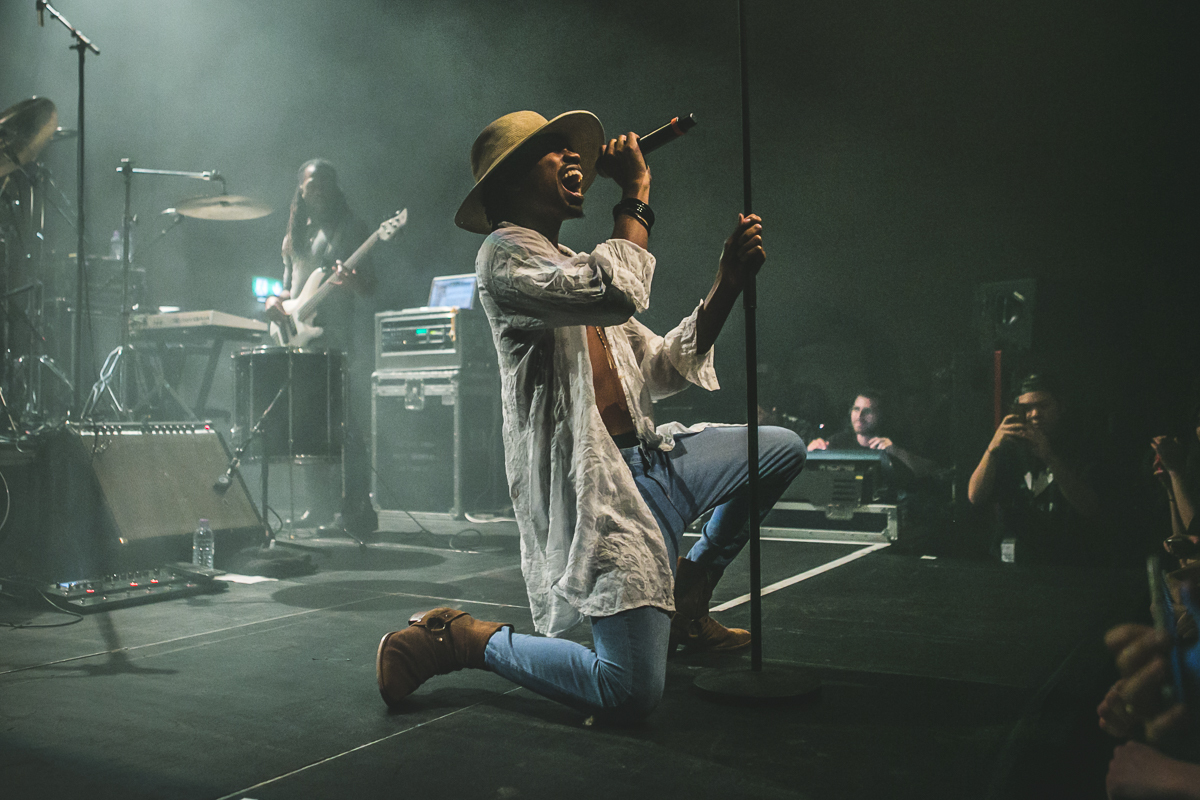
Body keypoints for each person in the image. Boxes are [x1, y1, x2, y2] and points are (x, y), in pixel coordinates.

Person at [374, 110, 806, 722]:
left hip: (655, 465)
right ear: (512, 181)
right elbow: (614, 290)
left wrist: (727, 284)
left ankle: (691, 592)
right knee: (628, 692)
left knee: (781, 447)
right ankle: (465, 639)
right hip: (600, 490)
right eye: (555, 152)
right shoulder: (503, 258)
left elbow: (657, 366)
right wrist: (636, 193)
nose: (576, 159)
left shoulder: (574, 261)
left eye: (574, 152)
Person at [263, 159, 378, 534]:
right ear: (301, 190)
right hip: (301, 341)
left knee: (346, 430)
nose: (320, 191)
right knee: (308, 427)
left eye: (326, 184)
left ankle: (357, 511)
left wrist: (353, 281)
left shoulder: (352, 227)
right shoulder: (294, 233)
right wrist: (275, 301)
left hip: (340, 343)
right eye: (312, 186)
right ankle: (319, 507)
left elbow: (371, 287)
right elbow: (289, 285)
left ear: (335, 186)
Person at [967, 373, 1107, 565]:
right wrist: (992, 449)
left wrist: (1049, 457)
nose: (1034, 414)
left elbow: (1089, 507)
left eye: (1043, 406)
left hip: (1065, 563)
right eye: (1027, 408)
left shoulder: (1080, 448)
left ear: (1061, 406)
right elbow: (975, 496)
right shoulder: (1011, 447)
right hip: (1013, 560)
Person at [807, 390, 936, 479]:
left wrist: (896, 451)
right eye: (856, 409)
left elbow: (930, 470)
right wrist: (810, 455)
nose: (859, 416)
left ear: (881, 415)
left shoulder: (896, 440)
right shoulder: (838, 441)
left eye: (867, 411)